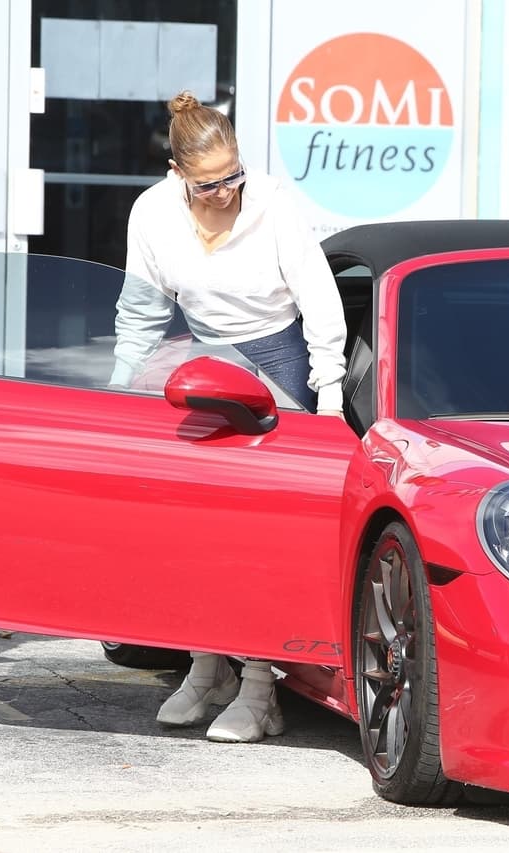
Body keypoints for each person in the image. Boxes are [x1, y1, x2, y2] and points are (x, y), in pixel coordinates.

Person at [111, 91, 347, 744]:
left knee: (262, 540)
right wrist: (117, 392)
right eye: (210, 183)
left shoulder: (272, 204)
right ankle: (207, 662)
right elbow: (140, 310)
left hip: (279, 365)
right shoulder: (154, 214)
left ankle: (261, 687)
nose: (225, 192)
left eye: (233, 175)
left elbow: (321, 304)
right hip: (203, 365)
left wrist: (326, 401)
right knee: (195, 532)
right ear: (178, 173)